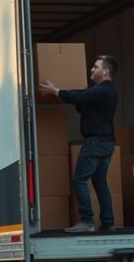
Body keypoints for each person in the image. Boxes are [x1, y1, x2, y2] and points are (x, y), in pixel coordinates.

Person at [39, 55, 118, 233]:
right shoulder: (104, 92)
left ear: (105, 71)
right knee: (99, 182)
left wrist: (56, 91)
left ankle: (86, 221)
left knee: (79, 180)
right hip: (106, 143)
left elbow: (81, 98)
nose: (91, 69)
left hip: (96, 142)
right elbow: (82, 101)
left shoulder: (103, 90)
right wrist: (73, 96)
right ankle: (108, 222)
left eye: (95, 67)